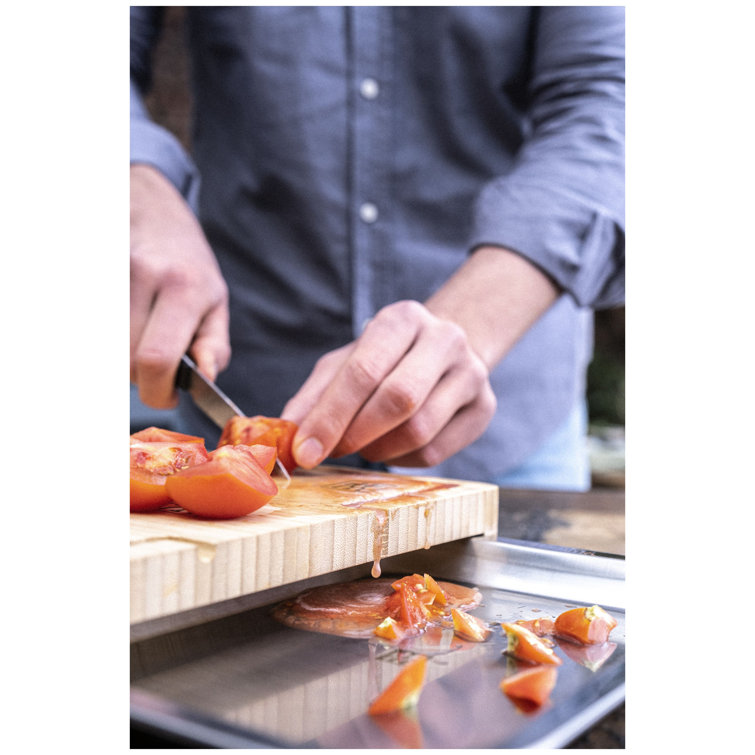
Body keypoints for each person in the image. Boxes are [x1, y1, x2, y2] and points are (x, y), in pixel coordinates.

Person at [130, 6, 624, 490]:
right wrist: (136, 180)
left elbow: (611, 99)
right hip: (246, 382)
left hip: (507, 429)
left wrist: (472, 319)